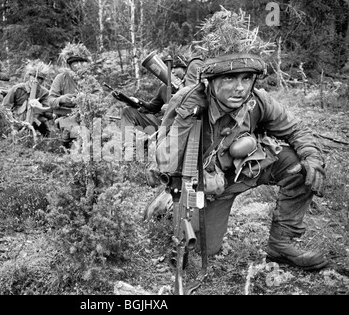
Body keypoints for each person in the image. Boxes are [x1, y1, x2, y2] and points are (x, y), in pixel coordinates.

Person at [154, 8, 327, 271]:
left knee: (297, 165)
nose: (240, 87)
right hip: (204, 186)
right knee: (204, 249)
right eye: (230, 78)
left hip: (242, 172)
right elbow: (163, 161)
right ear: (211, 81)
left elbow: (297, 130)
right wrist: (185, 125)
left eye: (247, 78)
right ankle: (165, 204)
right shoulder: (189, 102)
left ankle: (281, 245)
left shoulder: (256, 101)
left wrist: (312, 156)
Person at [116, 57, 187, 136]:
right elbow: (152, 108)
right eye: (170, 68)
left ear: (185, 70)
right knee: (127, 111)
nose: (172, 71)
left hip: (181, 127)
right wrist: (137, 101)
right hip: (162, 125)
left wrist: (180, 90)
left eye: (176, 68)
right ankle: (128, 146)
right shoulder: (164, 87)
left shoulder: (190, 86)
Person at [47, 54, 90, 144]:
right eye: (76, 63)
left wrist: (86, 98)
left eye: (81, 62)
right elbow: (50, 101)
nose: (79, 65)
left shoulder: (89, 80)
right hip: (65, 116)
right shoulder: (61, 78)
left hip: (86, 116)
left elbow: (98, 97)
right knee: (78, 132)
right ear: (70, 65)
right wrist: (62, 99)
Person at [2, 62, 52, 136]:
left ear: (43, 81)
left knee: (46, 132)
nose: (35, 80)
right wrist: (12, 120)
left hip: (36, 117)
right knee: (13, 135)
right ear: (30, 76)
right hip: (18, 118)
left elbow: (48, 113)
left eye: (39, 78)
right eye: (34, 77)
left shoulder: (44, 92)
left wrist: (39, 106)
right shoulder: (17, 88)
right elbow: (5, 106)